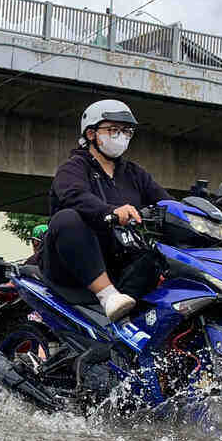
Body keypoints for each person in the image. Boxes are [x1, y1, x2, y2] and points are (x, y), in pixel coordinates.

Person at [43, 99, 176, 320]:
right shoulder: (73, 167)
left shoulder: (134, 173)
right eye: (113, 130)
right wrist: (111, 211)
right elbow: (74, 195)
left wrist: (210, 222)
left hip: (119, 262)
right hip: (72, 265)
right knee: (67, 219)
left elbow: (167, 203)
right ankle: (107, 296)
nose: (121, 136)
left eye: (126, 131)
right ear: (91, 134)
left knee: (156, 254)